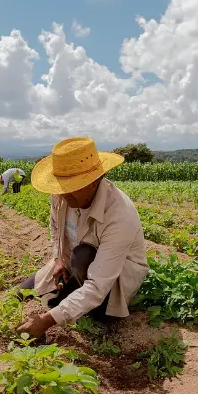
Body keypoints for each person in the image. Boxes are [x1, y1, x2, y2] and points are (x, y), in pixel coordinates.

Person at [17, 137, 149, 339]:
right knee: (19, 292)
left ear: (95, 181)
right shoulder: (61, 196)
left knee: (82, 255)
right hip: (74, 265)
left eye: (71, 186)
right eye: (60, 186)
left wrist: (47, 321)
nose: (62, 194)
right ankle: (69, 292)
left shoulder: (119, 215)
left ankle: (97, 313)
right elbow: (54, 226)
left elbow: (98, 286)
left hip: (112, 280)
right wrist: (59, 258)